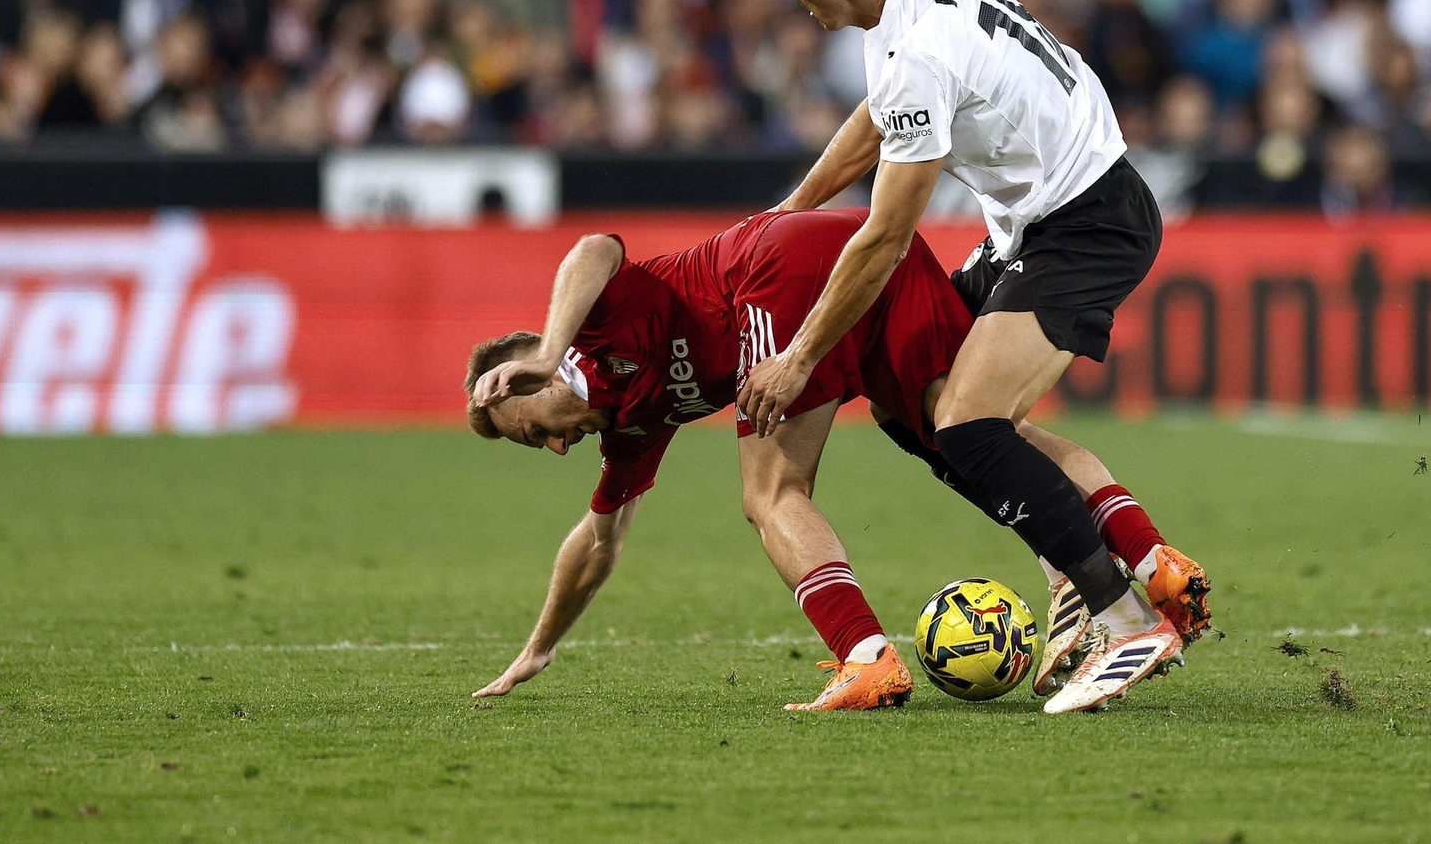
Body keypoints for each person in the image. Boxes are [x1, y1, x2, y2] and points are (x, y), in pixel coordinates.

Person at [737, 0, 1209, 713]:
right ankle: (1126, 559)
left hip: (1087, 223)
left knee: (966, 421)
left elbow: (884, 239)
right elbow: (879, 116)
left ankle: (1125, 615)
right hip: (1041, 217)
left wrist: (799, 355)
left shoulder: (920, 49)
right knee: (909, 400)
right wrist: (791, 210)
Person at [466, 208, 1207, 712]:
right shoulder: (629, 424)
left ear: (534, 369)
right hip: (872, 247)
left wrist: (547, 349)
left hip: (779, 272)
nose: (559, 446)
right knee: (967, 429)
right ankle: (1152, 562)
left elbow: (594, 246)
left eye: (536, 431)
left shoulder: (591, 331)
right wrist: (539, 647)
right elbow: (598, 542)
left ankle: (865, 655)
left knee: (771, 489)